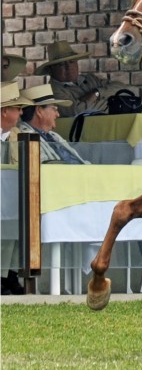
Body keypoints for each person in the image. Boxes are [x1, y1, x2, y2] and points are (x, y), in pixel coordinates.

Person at [35, 41, 128, 118]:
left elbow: (123, 89)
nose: (68, 67)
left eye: (72, 62)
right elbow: (77, 112)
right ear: (51, 70)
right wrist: (110, 103)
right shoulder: (51, 91)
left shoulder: (90, 79)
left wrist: (97, 93)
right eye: (61, 64)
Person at [1, 81, 34, 295]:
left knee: (15, 231)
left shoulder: (16, 135)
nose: (21, 113)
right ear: (4, 111)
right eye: (17, 108)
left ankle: (8, 276)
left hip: (11, 197)